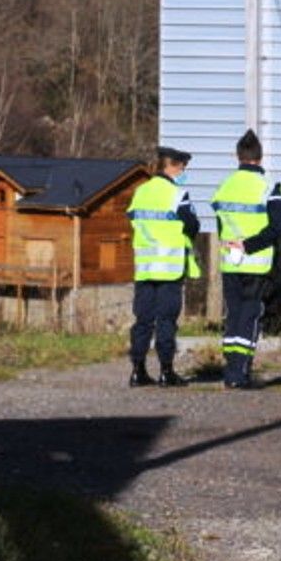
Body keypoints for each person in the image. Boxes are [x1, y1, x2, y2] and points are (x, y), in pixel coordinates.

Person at [212, 129, 281, 389]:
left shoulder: (225, 186)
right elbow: (276, 228)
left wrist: (233, 244)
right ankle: (240, 372)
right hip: (256, 263)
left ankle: (231, 368)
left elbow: (221, 224)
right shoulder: (269, 187)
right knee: (250, 315)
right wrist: (249, 245)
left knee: (233, 316)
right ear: (260, 157)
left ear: (238, 157)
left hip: (229, 261)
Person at [127, 146, 201, 387]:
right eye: (182, 168)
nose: (184, 172)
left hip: (145, 267)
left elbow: (133, 220)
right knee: (166, 320)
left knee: (143, 320)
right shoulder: (177, 195)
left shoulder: (140, 192)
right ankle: (166, 372)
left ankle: (137, 371)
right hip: (169, 267)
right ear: (172, 166)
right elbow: (192, 225)